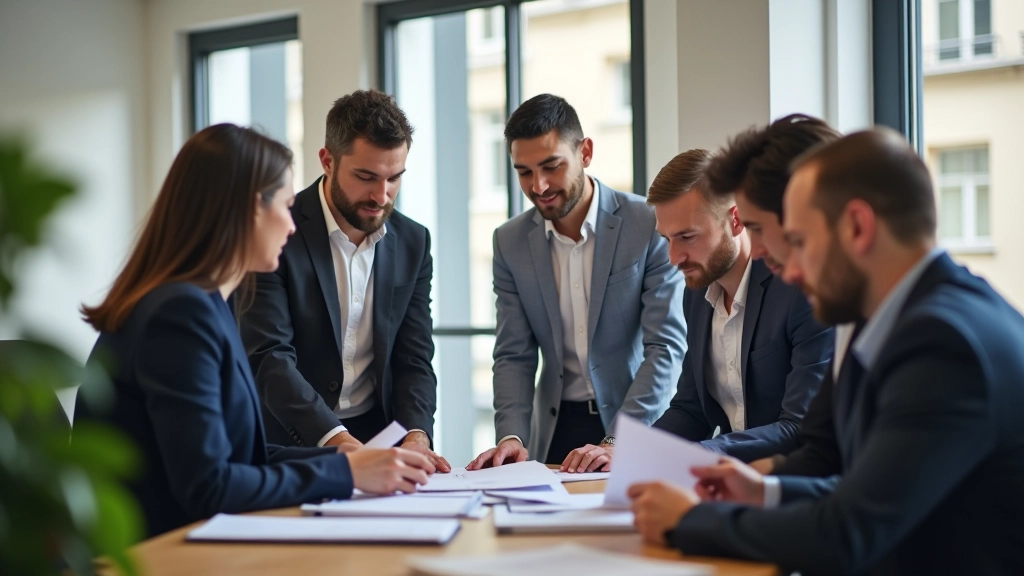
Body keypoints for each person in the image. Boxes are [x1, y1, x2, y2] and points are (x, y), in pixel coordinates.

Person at [629, 128, 1024, 575]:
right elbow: (849, 483)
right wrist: (761, 490)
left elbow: (850, 528)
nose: (787, 269)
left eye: (798, 241)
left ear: (857, 227)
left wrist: (690, 521)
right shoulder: (887, 320)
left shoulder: (943, 341)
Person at [77, 124, 434, 538]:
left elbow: (243, 456)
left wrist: (350, 466)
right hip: (154, 553)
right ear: (248, 210)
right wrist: (346, 470)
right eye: (284, 206)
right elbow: (210, 485)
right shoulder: (179, 314)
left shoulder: (204, 302)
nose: (292, 224)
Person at [468, 94, 687, 469]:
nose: (538, 186)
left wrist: (619, 439)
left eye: (551, 166)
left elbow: (665, 346)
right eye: (524, 172)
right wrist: (511, 436)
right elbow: (513, 354)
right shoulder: (509, 242)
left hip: (634, 420)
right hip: (553, 431)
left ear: (585, 152)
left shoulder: (646, 224)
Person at [239, 90, 448, 472]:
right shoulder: (277, 231)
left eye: (394, 178)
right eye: (366, 177)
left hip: (380, 436)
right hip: (290, 439)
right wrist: (339, 443)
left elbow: (414, 356)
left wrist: (416, 434)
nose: (381, 196)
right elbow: (269, 357)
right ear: (328, 161)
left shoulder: (414, 242)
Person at [618, 149, 830, 467]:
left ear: (735, 219)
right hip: (727, 483)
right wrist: (627, 450)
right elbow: (691, 409)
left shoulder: (798, 291)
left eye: (687, 237)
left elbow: (798, 426)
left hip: (794, 484)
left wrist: (702, 453)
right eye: (667, 239)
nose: (674, 257)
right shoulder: (697, 292)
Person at [704, 113, 847, 475]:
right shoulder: (862, 318)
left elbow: (863, 514)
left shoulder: (930, 337)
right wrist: (757, 489)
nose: (760, 252)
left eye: (794, 237)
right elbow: (824, 458)